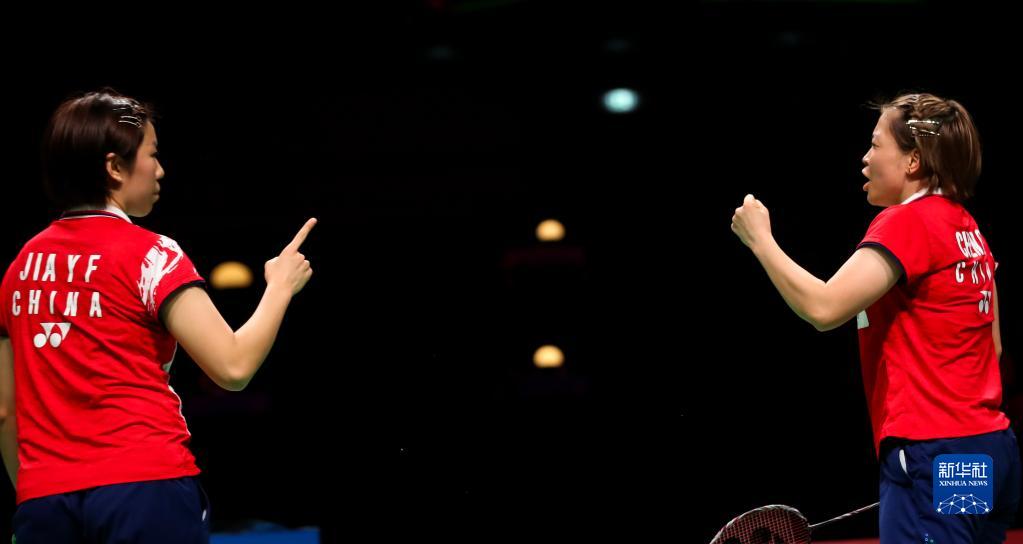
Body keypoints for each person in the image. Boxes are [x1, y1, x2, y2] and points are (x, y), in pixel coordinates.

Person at [0, 89, 316, 543]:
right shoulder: (151, 254)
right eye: (152, 154)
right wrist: (280, 286)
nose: (161, 169)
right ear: (114, 167)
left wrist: (37, 493)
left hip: (44, 501)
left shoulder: (19, 269)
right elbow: (233, 367)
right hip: (145, 490)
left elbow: (6, 412)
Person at [730, 92, 1020, 543]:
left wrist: (760, 240)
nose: (865, 158)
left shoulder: (908, 222)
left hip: (934, 450)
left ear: (913, 161)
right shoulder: (967, 229)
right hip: (985, 451)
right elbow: (993, 348)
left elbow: (824, 309)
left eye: (876, 144)